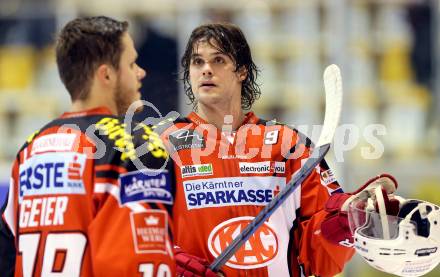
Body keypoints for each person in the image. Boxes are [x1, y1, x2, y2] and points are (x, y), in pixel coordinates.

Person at [157, 22, 395, 277]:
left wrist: (344, 223)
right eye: (197, 62)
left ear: (242, 71)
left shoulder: (287, 144)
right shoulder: (162, 142)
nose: (206, 70)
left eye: (218, 60)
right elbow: (132, 227)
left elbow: (318, 259)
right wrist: (174, 264)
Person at [0, 16, 175, 276]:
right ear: (106, 74)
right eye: (131, 64)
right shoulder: (137, 145)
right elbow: (140, 263)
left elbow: (6, 254)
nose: (141, 72)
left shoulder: (30, 149)